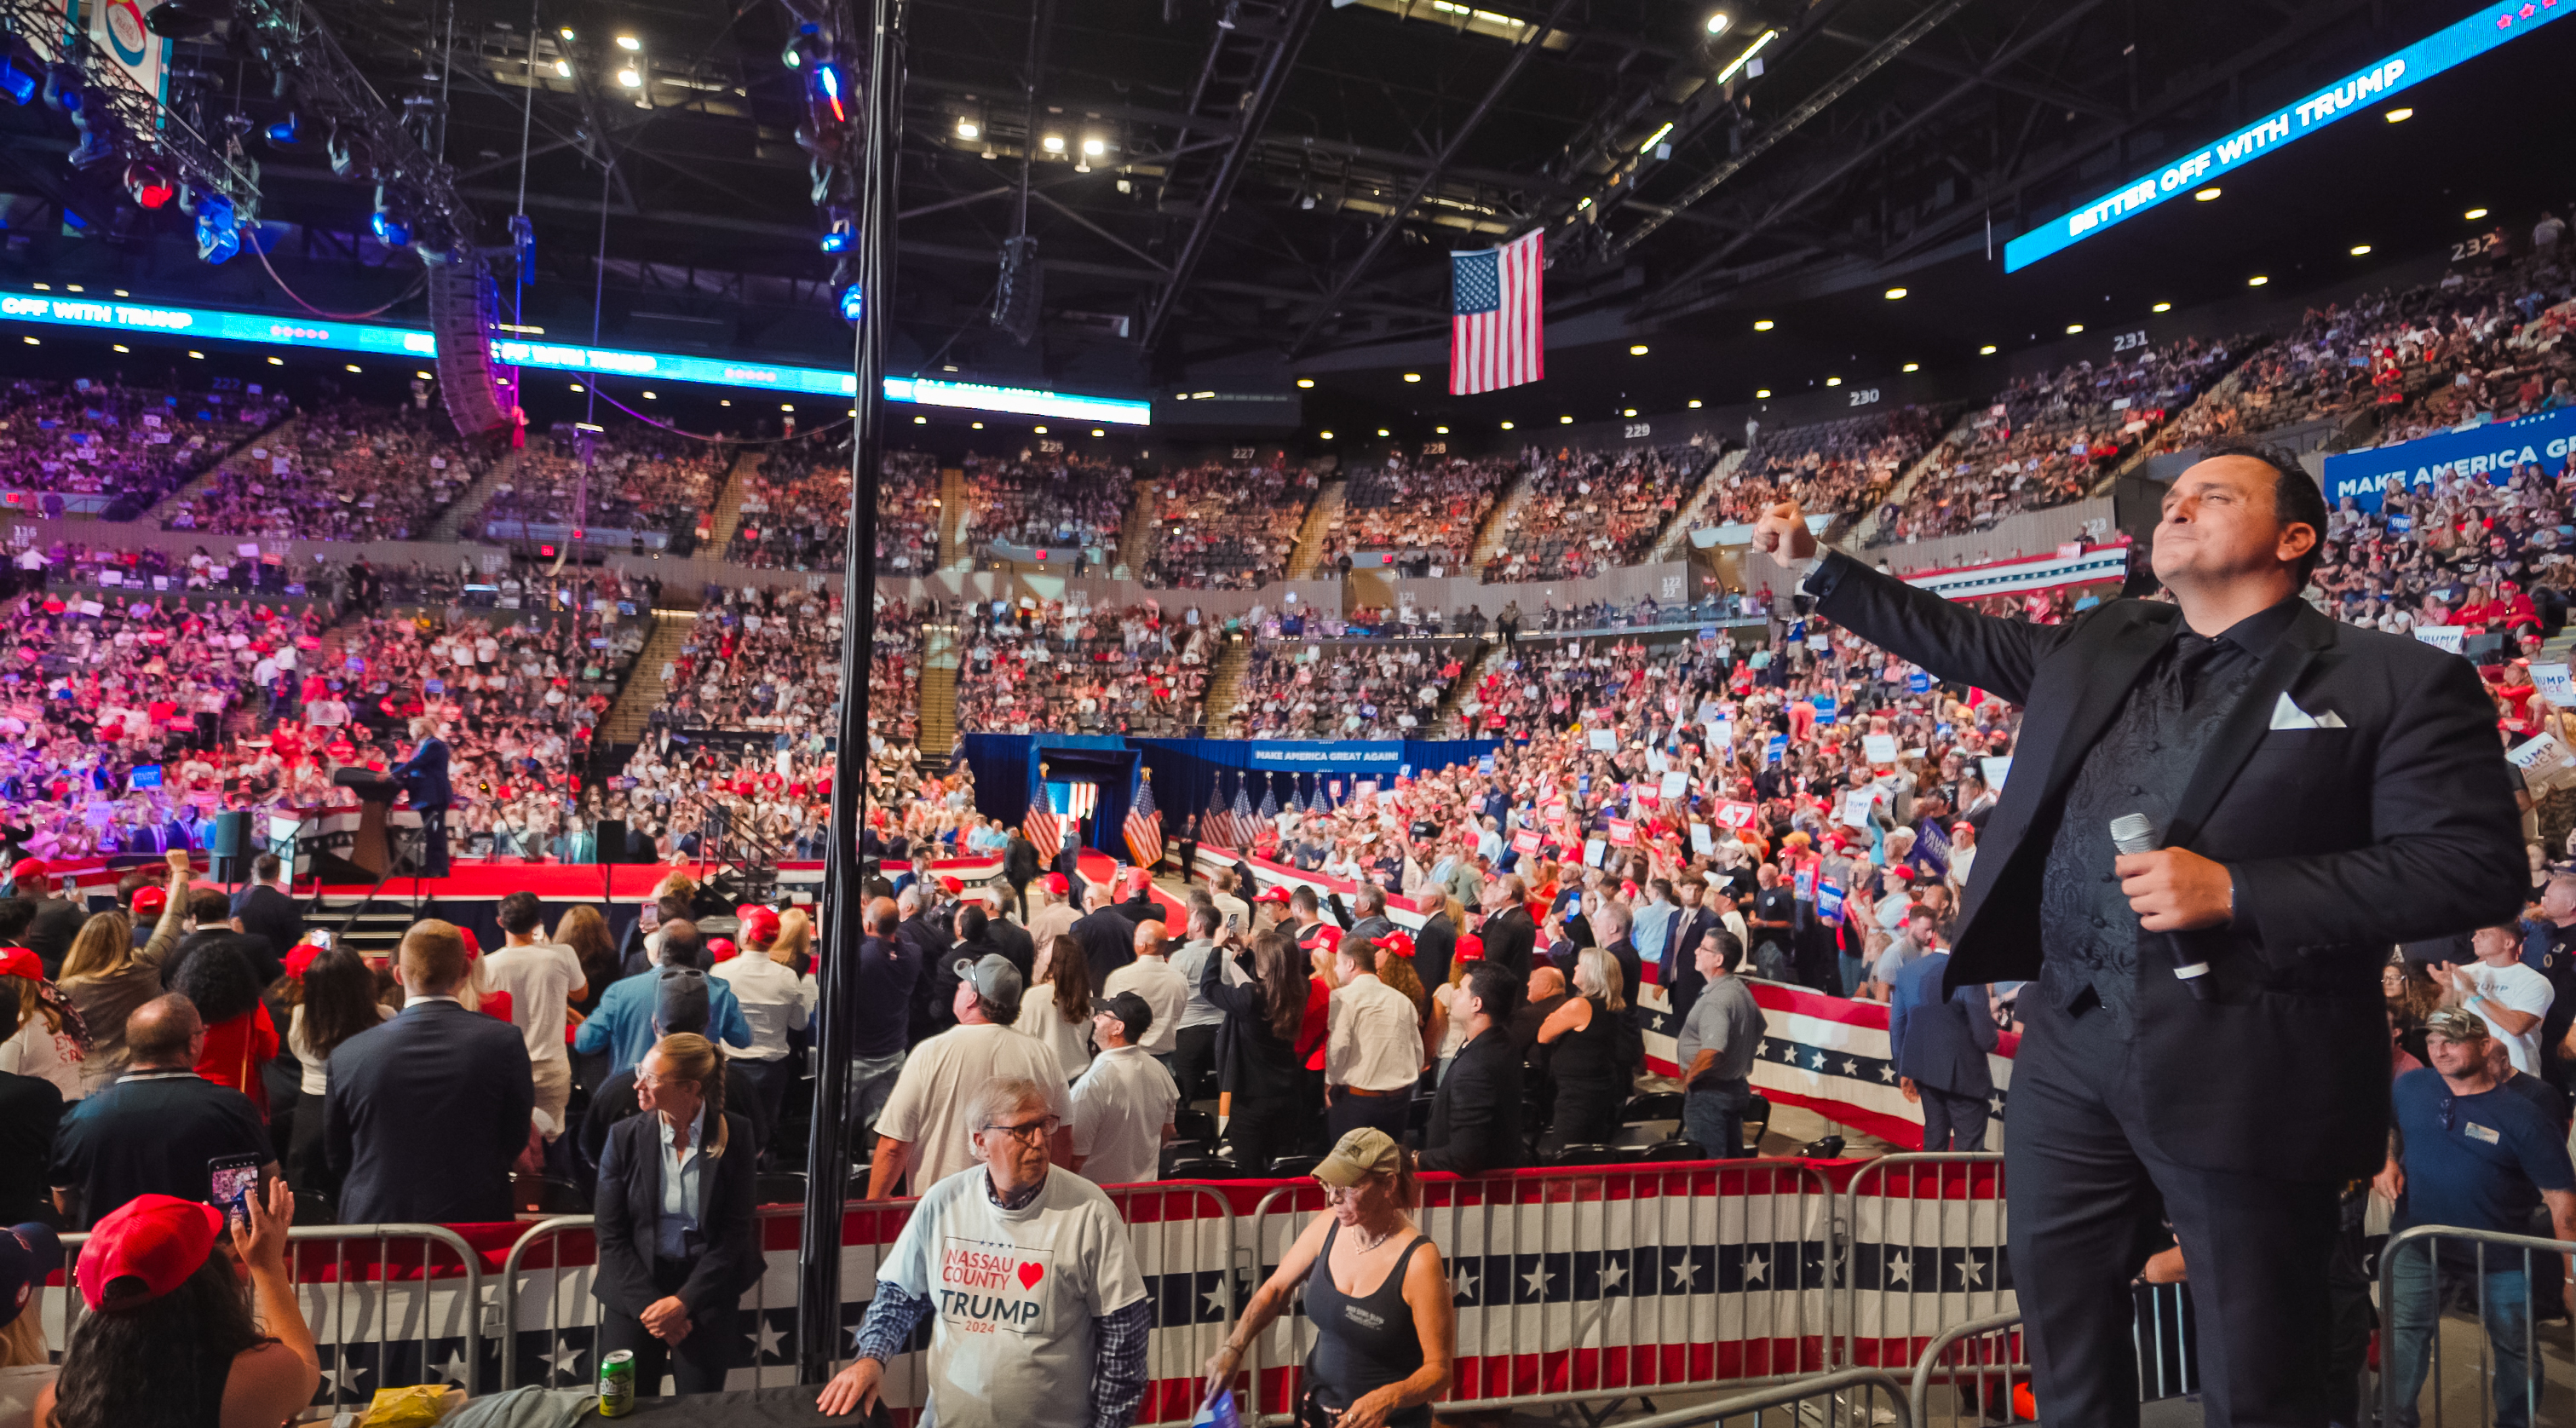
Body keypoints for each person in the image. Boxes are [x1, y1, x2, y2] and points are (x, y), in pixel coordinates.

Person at [1754, 439, 2527, 1425]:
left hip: (2244, 1058)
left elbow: (2474, 866)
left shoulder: (2397, 680)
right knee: (2063, 1323)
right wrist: (1821, 566)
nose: (2178, 506)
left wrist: (2241, 891)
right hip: (2068, 1042)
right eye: (2175, 497)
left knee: (2258, 1364)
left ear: (2295, 536)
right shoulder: (2106, 638)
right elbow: (1960, 638)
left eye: (2215, 494)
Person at [816, 1076, 1153, 1428]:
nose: (1039, 1141)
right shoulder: (944, 1201)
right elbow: (899, 1296)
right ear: (980, 1142)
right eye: (1022, 1130)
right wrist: (871, 1358)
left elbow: (1124, 1339)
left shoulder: (1089, 1210)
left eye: (1044, 1125)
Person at [2377, 1008, 2576, 1428]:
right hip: (2416, 1242)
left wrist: (2571, 1277)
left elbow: (2562, 1201)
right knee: (2404, 1338)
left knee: (2514, 1348)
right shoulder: (2411, 1086)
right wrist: (2387, 1160)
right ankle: (2394, 1422)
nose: (2439, 1050)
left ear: (2484, 1046)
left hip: (2500, 1252)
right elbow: (2389, 1127)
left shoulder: (2525, 1115)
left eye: (2452, 1040)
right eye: (2432, 1041)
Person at [1200, 1129, 1454, 1428]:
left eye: (1348, 1187)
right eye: (1329, 1184)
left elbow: (1439, 1371)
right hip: (1317, 1410)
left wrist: (1388, 1398)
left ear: (1388, 1184)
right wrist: (1234, 1347)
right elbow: (1276, 1290)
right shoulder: (1328, 1225)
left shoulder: (1418, 1260)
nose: (1333, 1197)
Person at [31, 1183, 320, 1428]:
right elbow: (305, 1370)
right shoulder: (258, 1377)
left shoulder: (55, 1406)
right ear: (208, 1286)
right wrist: (267, 1267)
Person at [325, 920, 536, 1225]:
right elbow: (514, 1135)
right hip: (475, 1216)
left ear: (398, 974)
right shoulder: (504, 1042)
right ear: (465, 970)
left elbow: (338, 1154)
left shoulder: (349, 1053)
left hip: (376, 1222)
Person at [593, 1033, 762, 1398]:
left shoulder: (737, 1135)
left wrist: (684, 1302)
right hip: (634, 1292)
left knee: (699, 1413)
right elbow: (610, 1234)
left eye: (651, 1077)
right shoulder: (622, 1137)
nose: (638, 1083)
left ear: (689, 1088)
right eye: (641, 1071)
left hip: (705, 1294)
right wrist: (653, 1311)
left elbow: (735, 1233)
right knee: (627, 1412)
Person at [49, 995, 273, 1229]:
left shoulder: (79, 1116)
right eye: (202, 1032)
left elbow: (65, 1203)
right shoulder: (231, 1108)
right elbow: (262, 1186)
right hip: (201, 1257)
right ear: (192, 1044)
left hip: (110, 1260)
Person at [867, 954, 1072, 1198]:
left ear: (973, 997)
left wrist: (873, 1209)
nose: (958, 990)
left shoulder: (930, 1054)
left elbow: (893, 1147)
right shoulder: (1043, 1056)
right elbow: (1061, 1140)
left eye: (961, 986)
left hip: (942, 1214)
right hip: (1019, 1215)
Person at [60, 855, 189, 1093]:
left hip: (91, 1077)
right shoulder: (146, 963)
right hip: (145, 1072)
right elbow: (173, 917)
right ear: (125, 938)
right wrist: (181, 872)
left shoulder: (65, 988)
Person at [575, 925, 753, 1080]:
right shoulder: (719, 991)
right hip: (695, 1092)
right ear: (698, 951)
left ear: (659, 950)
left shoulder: (620, 991)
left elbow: (586, 1042)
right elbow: (742, 1039)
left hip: (632, 1092)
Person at [282, 946, 390, 1191]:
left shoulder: (300, 1016)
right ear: (362, 984)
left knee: (313, 1194)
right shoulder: (384, 1017)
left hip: (312, 1111)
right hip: (362, 1106)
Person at [1202, 930, 1310, 1175]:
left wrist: (1218, 948)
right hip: (1288, 1094)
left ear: (1263, 965)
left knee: (1249, 1170)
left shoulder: (1250, 998)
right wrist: (1246, 953)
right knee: (1281, 1168)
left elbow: (1208, 988)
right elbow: (1270, 976)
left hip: (1252, 1099)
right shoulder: (1302, 988)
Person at [483, 892, 589, 1138]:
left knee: (508, 1138)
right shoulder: (562, 954)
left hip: (506, 1068)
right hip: (551, 1067)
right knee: (552, 1139)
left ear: (500, 922)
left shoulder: (487, 966)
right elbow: (581, 993)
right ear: (537, 923)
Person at [1888, 941, 1998, 1152]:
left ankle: (1934, 1184)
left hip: (1924, 1072)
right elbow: (1986, 1039)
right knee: (1969, 1153)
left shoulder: (1908, 971)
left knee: (1934, 1140)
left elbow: (1897, 1025)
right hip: (1965, 1078)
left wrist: (1903, 1067)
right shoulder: (1968, 974)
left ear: (1936, 936)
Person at [711, 903, 813, 1127]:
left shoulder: (721, 972)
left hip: (729, 1070)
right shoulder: (788, 978)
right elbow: (799, 1023)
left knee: (727, 1130)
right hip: (771, 1073)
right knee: (764, 1132)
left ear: (746, 937)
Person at [1418, 962, 1523, 1174]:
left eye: (1461, 990)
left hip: (1470, 1197)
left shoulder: (1476, 1070)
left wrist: (1416, 1158)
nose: (1454, 994)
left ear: (1477, 1004)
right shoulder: (1501, 1040)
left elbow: (1465, 1156)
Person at [1068, 992, 1177, 1185]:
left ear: (1118, 1028)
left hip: (1101, 1199)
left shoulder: (1093, 1084)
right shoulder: (1160, 1071)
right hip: (1145, 1197)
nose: (1095, 1018)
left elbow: (1075, 1158)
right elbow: (1167, 1131)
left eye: (1103, 1014)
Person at [1674, 930, 1766, 1159]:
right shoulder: (1740, 992)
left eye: (1704, 948)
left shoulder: (1717, 999)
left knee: (1710, 1167)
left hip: (1710, 1094)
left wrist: (1691, 1076)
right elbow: (1760, 1027)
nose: (1697, 951)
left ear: (1719, 959)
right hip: (1733, 1088)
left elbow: (1713, 1051)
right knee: (1730, 1164)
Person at [1323, 936, 1423, 1144]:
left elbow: (1338, 1047)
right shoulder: (1402, 1000)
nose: (1335, 970)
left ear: (1351, 964)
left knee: (1350, 1172)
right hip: (1399, 1103)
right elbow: (1417, 1055)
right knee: (1387, 1168)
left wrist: (1329, 1083)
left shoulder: (1342, 997)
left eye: (1338, 964)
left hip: (1358, 1104)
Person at [170, 940, 274, 1124]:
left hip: (190, 1098)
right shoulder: (253, 1012)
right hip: (240, 1101)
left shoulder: (181, 1012)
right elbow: (269, 1050)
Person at [1534, 946, 1629, 1149]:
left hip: (1577, 1099)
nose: (1575, 968)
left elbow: (1543, 1035)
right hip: (1602, 1093)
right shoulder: (1610, 1006)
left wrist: (1553, 1017)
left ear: (1592, 973)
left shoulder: (1580, 1005)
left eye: (1580, 965)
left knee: (1568, 1158)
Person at [2433, 924, 2553, 1078]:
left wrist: (2475, 995)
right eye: (2475, 934)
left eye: (2483, 934)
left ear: (2508, 943)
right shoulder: (2466, 972)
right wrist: (2448, 989)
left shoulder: (2534, 981)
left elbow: (2517, 1027)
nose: (2474, 939)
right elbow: (2444, 1020)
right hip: (2473, 1073)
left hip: (2515, 1074)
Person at [848, 897, 917, 1143]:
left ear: (868, 926)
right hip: (892, 1052)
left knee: (838, 1122)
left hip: (856, 1056)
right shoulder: (913, 955)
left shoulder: (859, 958)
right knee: (881, 1125)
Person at [0, 948, 83, 1103]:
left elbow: (4, 1086)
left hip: (38, 1115)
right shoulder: (56, 1015)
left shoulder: (18, 1024)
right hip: (71, 1108)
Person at [1101, 918, 1187, 1067]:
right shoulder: (1179, 979)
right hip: (1166, 1059)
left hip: (1129, 1057)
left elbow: (1107, 1017)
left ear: (1143, 944)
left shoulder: (1120, 977)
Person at [1167, 904, 1230, 1103]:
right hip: (1223, 1033)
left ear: (1199, 925)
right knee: (1225, 1093)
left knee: (1186, 1095)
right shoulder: (1230, 957)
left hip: (1188, 1034)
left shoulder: (1179, 958)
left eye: (1191, 920)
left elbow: (1173, 995)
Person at [1014, 935, 1097, 1081]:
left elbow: (1021, 1037)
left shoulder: (1035, 996)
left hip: (1047, 1076)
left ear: (1052, 960)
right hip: (1080, 1074)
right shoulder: (1086, 994)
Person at [389, 716, 453, 877]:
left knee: (435, 832)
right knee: (431, 833)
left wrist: (395, 773)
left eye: (412, 729)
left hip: (435, 795)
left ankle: (437, 869)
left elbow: (418, 763)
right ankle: (433, 866)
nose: (410, 733)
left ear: (420, 729)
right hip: (426, 795)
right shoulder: (424, 745)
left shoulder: (434, 745)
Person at [12, 863, 85, 980]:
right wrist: (80, 904)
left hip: (19, 979)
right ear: (42, 881)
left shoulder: (6, 911)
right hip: (60, 979)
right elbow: (88, 940)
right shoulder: (65, 908)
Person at [224, 855, 302, 959]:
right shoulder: (287, 904)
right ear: (278, 874)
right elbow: (295, 941)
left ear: (253, 872)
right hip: (275, 966)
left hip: (241, 962)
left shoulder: (235, 899)